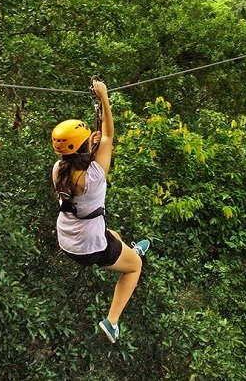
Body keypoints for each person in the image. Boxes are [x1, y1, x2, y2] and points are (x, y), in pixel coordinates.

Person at [51, 80, 149, 343]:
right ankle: (112, 321)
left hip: (67, 238)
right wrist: (104, 98)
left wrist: (89, 145)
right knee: (134, 268)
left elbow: (85, 153)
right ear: (84, 147)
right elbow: (108, 135)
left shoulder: (58, 170)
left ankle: (128, 250)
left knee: (112, 234)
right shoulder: (94, 175)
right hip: (88, 247)